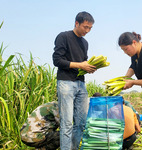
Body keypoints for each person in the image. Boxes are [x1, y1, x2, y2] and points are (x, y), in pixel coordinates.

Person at [52, 11, 96, 150]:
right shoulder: (63, 36)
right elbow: (57, 60)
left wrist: (88, 67)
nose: (87, 31)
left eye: (90, 28)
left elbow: (83, 62)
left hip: (81, 84)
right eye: (85, 27)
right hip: (66, 83)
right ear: (76, 23)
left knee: (81, 122)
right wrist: (80, 65)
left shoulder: (85, 43)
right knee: (67, 123)